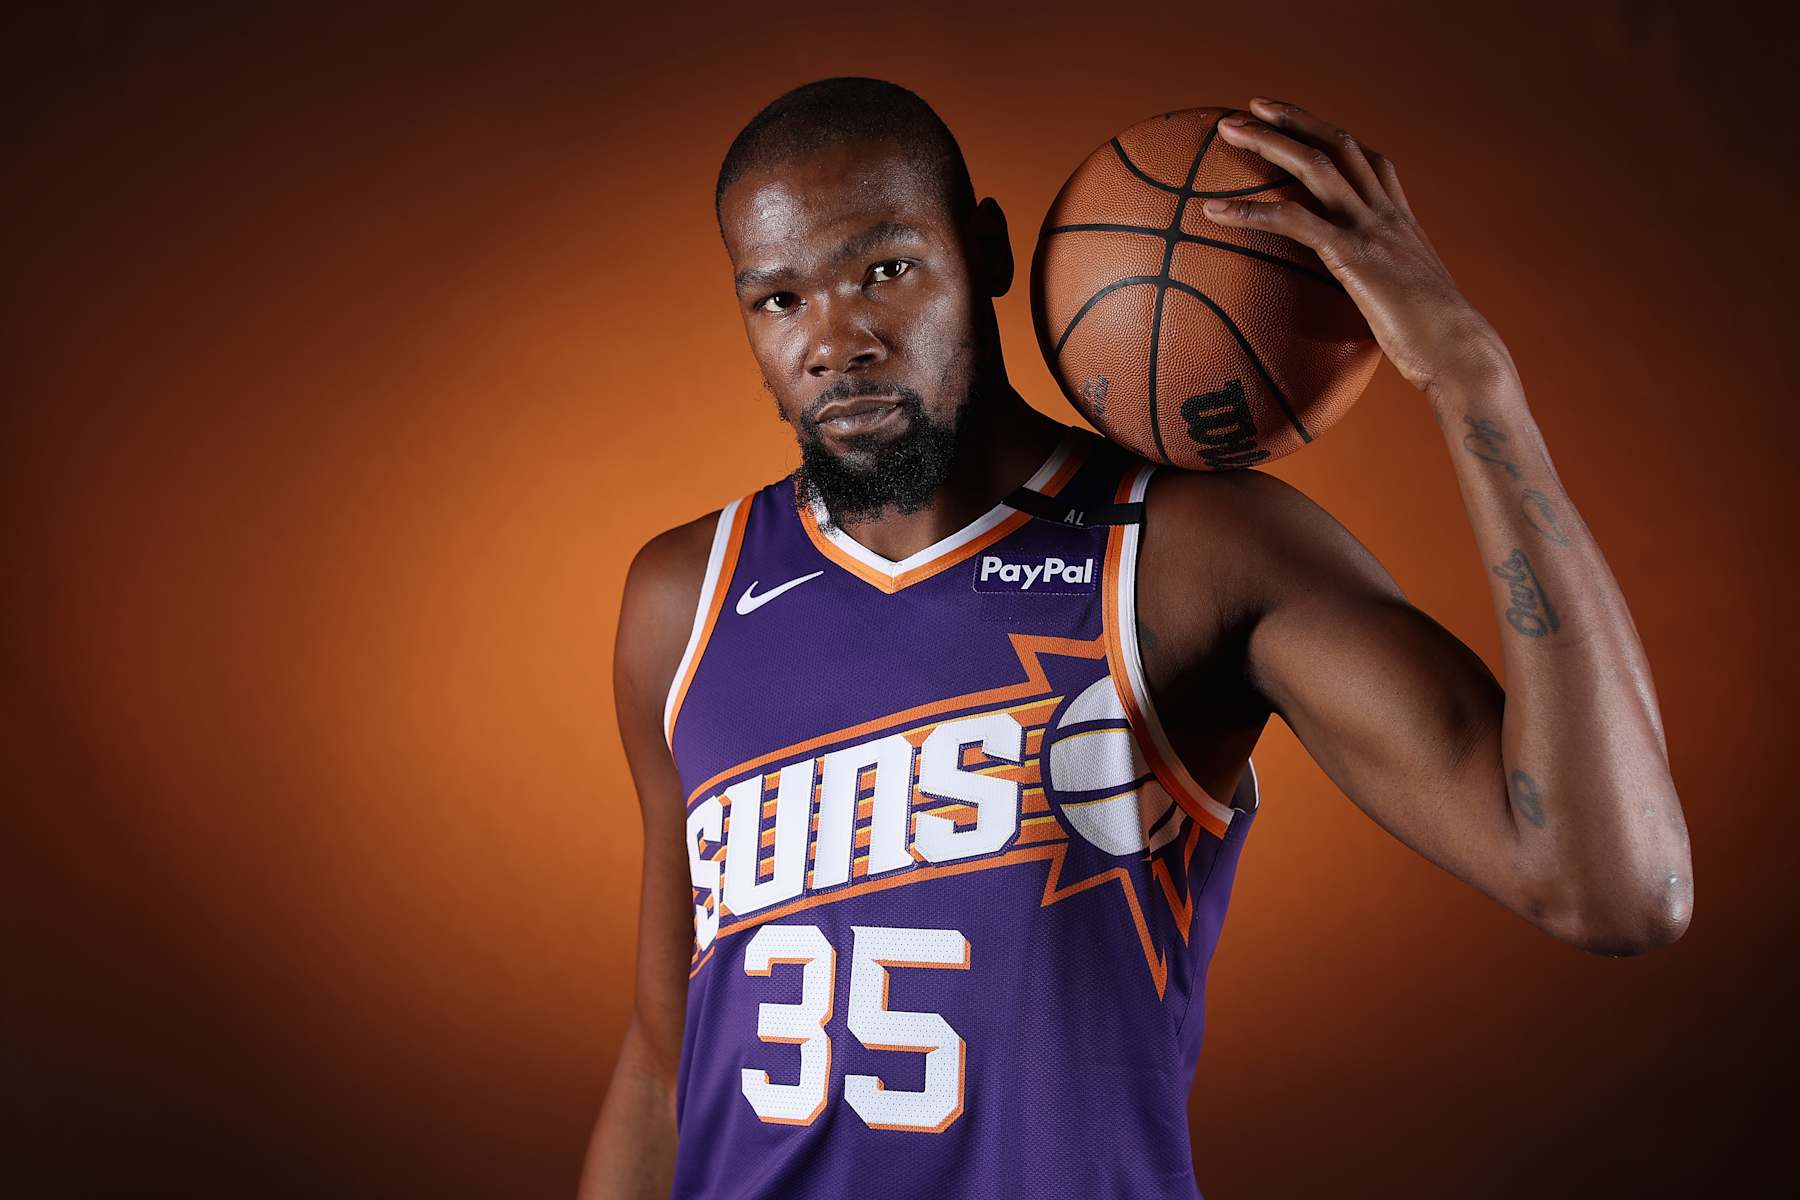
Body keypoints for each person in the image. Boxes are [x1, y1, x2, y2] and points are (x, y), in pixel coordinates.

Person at [578, 76, 1691, 1200]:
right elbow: (666, 1058)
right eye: (778, 299)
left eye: (885, 269)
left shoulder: (1185, 553)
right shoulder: (688, 596)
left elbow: (1617, 886)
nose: (836, 340)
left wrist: (1472, 377)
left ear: (986, 251)